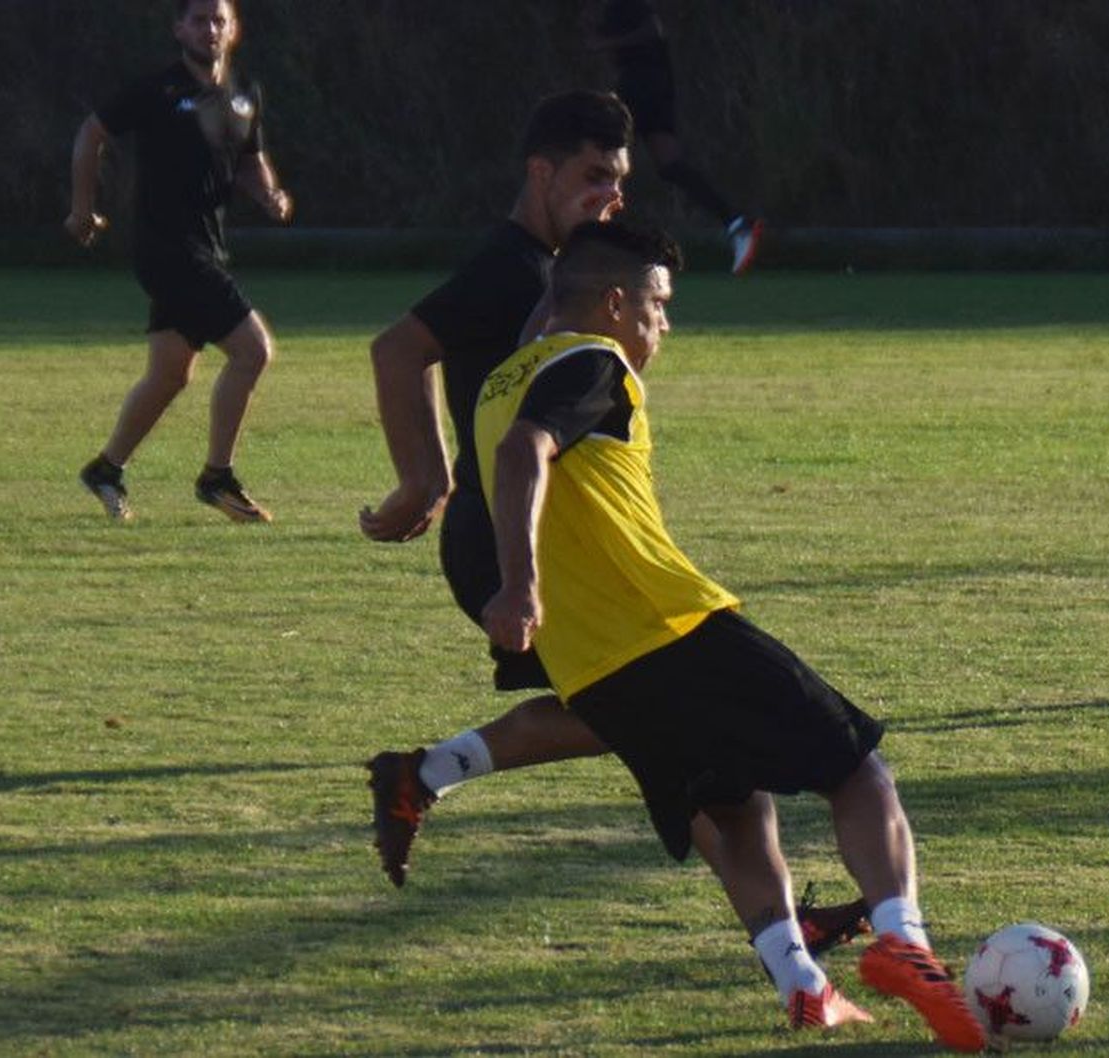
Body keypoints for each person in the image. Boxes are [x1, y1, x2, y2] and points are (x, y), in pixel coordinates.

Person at [359, 89, 868, 959]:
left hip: (542, 539)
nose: (612, 196)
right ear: (541, 172)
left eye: (620, 180)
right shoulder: (515, 269)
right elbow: (398, 350)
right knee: (652, 711)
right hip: (509, 543)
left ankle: (777, 920)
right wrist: (426, 480)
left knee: (646, 719)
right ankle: (777, 923)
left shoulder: (570, 274)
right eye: (595, 176)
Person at [470, 217, 986, 1048]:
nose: (664, 325)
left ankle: (804, 988)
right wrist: (520, 584)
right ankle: (904, 942)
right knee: (858, 769)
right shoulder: (595, 362)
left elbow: (514, 449)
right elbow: (526, 452)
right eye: (658, 305)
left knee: (738, 810)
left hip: (594, 672)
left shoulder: (500, 381)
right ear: (614, 303)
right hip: (670, 629)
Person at [70, 0, 292, 523]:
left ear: (233, 29)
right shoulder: (158, 90)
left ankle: (106, 469)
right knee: (253, 351)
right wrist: (82, 210)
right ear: (179, 29)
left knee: (170, 373)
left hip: (208, 248)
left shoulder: (243, 93)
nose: (210, 29)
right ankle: (218, 477)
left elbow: (250, 160)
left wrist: (270, 194)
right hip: (166, 249)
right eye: (199, 20)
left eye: (219, 20)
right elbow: (90, 134)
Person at [590, 0, 765, 275]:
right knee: (670, 165)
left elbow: (653, 29)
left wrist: (608, 43)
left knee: (603, 157)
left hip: (642, 84)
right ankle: (736, 223)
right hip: (654, 82)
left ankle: (592, 250)